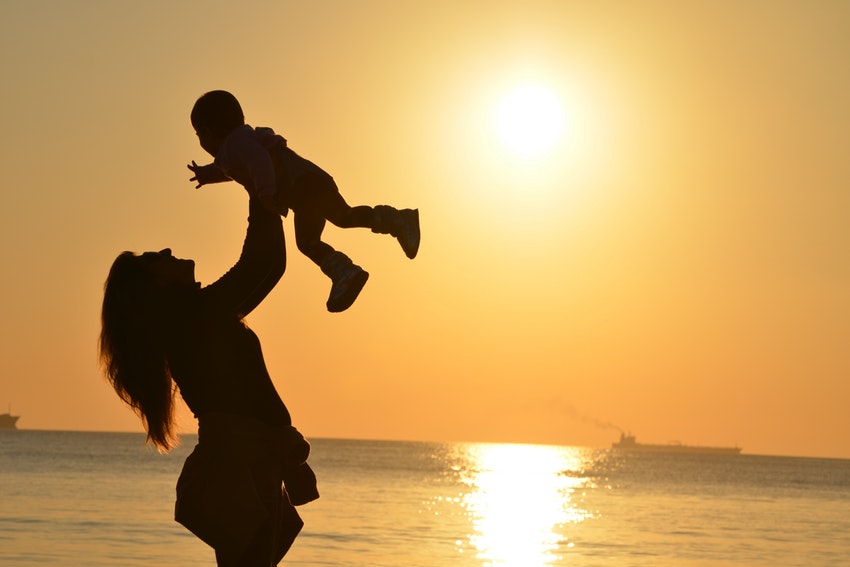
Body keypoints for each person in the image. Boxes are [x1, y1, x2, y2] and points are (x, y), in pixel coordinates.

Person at [99, 195, 318, 566]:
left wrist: (264, 191)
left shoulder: (198, 316)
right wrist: (258, 185)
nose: (168, 250)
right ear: (154, 289)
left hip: (252, 462)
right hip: (240, 464)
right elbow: (261, 265)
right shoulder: (195, 318)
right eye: (157, 260)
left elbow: (269, 268)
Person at [187, 89, 420, 313]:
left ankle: (352, 265)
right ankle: (364, 252)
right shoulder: (237, 146)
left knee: (324, 230)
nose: (201, 142)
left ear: (207, 132)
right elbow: (229, 169)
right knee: (335, 222)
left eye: (199, 136)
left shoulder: (235, 144)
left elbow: (258, 162)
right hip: (306, 187)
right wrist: (206, 175)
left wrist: (265, 193)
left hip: (304, 185)